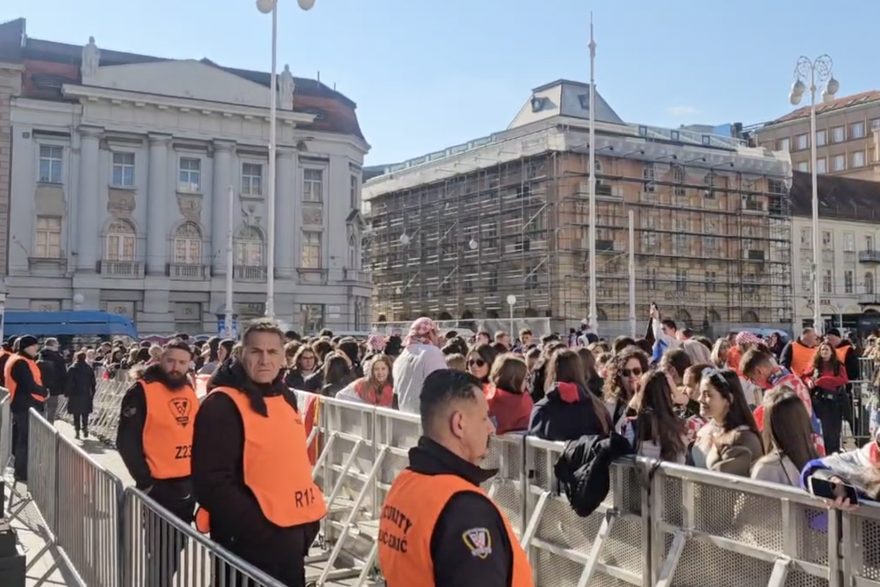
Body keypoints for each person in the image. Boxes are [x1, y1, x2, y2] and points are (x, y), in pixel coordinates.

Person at [192, 318, 326, 587]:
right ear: (241, 354)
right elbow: (212, 483)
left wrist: (306, 527)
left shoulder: (284, 396)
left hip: (291, 539)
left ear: (283, 357)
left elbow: (292, 463)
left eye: (273, 351)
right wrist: (261, 530)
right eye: (256, 351)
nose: (265, 359)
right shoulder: (221, 404)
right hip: (247, 546)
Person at [378, 369, 534, 587]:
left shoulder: (405, 483)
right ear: (459, 423)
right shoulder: (465, 510)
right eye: (484, 418)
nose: (491, 428)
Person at [117, 339, 199, 587]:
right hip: (158, 486)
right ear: (160, 360)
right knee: (160, 551)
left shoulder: (188, 389)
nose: (176, 366)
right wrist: (145, 480)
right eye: (171, 360)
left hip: (187, 483)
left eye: (182, 362)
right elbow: (126, 440)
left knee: (176, 548)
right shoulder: (141, 390)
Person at [5, 335, 47, 482]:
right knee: (25, 439)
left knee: (22, 438)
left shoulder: (19, 360)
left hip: (21, 403)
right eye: (35, 345)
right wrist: (44, 392)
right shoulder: (21, 362)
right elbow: (28, 384)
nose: (37, 348)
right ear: (28, 347)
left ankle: (21, 470)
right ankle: (22, 472)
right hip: (25, 404)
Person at [65, 350, 97, 439]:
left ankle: (77, 430)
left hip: (75, 393)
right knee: (85, 413)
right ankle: (85, 427)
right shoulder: (89, 369)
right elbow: (93, 382)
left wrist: (67, 392)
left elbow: (69, 382)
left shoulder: (72, 368)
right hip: (86, 393)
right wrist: (92, 392)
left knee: (76, 414)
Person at [37, 337, 67, 423]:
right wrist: (64, 388)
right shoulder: (58, 358)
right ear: (53, 345)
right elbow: (63, 373)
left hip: (40, 387)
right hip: (54, 388)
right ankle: (49, 426)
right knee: (52, 407)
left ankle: (40, 425)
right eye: (57, 344)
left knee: (41, 408)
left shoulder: (39, 355)